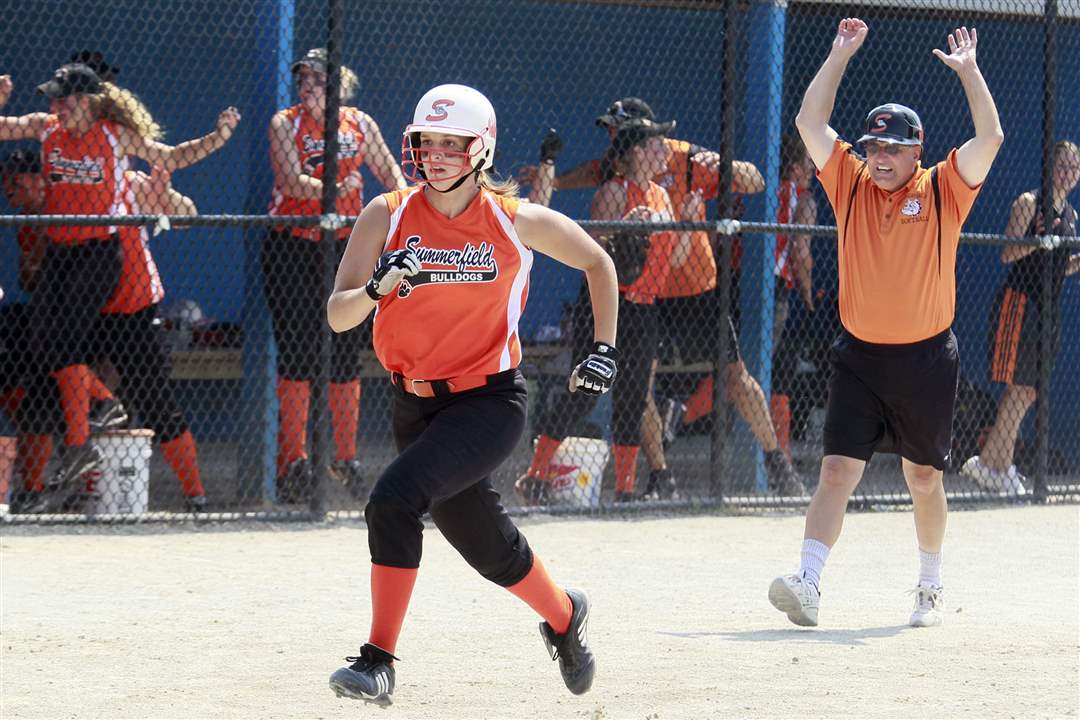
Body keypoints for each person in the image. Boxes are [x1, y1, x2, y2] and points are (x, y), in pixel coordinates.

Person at [325, 83, 617, 704]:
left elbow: (599, 263)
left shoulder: (514, 220)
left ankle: (378, 661)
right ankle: (566, 617)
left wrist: (603, 349)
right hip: (415, 402)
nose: (435, 156)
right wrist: (375, 291)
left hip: (488, 403)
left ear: (481, 149)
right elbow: (338, 315)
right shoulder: (388, 213)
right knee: (483, 542)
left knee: (392, 501)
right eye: (427, 143)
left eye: (451, 145)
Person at [768, 19, 1003, 629]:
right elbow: (809, 124)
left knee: (923, 478)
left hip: (927, 359)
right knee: (837, 469)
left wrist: (970, 72)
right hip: (860, 358)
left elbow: (992, 136)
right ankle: (808, 581)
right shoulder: (848, 182)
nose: (879, 158)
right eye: (873, 147)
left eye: (892, 148)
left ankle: (929, 583)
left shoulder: (945, 187)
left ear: (916, 152)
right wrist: (840, 51)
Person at [0, 64, 238, 513]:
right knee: (47, 357)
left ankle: (195, 494)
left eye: (63, 100)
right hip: (80, 292)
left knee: (155, 399)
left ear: (89, 103)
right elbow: (10, 127)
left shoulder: (126, 170)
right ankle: (60, 470)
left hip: (128, 301)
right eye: (52, 100)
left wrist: (218, 138)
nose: (54, 107)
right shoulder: (49, 135)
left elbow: (181, 195)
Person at [265, 48, 407, 503]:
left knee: (346, 351)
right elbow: (289, 180)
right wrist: (333, 189)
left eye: (317, 79)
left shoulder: (359, 123)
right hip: (293, 244)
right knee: (298, 351)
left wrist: (409, 203)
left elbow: (387, 169)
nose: (307, 86)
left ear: (337, 85)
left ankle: (345, 458)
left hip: (347, 248)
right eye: (303, 78)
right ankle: (294, 461)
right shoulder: (285, 123)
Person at [961, 140, 1080, 494]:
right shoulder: (1030, 203)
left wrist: (1074, 261)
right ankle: (993, 464)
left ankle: (993, 465)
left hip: (1048, 309)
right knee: (1018, 386)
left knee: (1028, 392)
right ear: (1050, 166)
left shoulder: (1072, 216)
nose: (1068, 173)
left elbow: (1059, 266)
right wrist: (1038, 241)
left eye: (1074, 167)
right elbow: (1008, 253)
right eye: (1063, 165)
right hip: (1021, 302)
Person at [769, 133, 819, 458]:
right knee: (775, 367)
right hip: (776, 288)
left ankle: (780, 452)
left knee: (747, 366)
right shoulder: (804, 200)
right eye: (807, 163)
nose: (813, 168)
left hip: (740, 283)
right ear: (793, 167)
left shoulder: (763, 188)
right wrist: (809, 297)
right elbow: (801, 253)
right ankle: (780, 455)